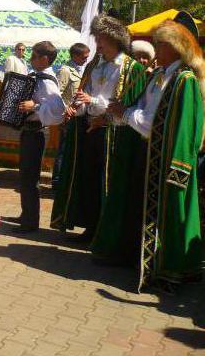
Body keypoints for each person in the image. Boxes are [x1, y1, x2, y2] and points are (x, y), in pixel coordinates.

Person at [101, 21, 204, 291]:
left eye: (160, 44)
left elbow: (161, 123)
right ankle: (148, 264)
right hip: (149, 156)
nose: (156, 49)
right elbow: (145, 112)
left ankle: (170, 270)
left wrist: (124, 113)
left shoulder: (184, 80)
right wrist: (122, 111)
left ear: (174, 47)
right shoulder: (160, 74)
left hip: (169, 160)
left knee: (170, 216)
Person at [51, 15, 147, 241]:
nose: (97, 44)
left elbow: (128, 107)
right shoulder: (94, 65)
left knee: (109, 185)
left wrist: (95, 107)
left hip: (114, 135)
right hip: (89, 132)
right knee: (89, 181)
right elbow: (83, 97)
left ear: (114, 39)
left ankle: (106, 233)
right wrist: (78, 110)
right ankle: (91, 228)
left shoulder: (131, 68)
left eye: (101, 39)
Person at [8, 42, 66, 233]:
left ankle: (31, 222)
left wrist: (34, 107)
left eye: (33, 56)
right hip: (29, 129)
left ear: (44, 59)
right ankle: (27, 215)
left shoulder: (47, 81)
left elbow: (58, 112)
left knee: (31, 177)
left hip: (38, 131)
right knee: (25, 175)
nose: (30, 59)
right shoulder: (35, 77)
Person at [51, 42, 90, 189]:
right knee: (64, 149)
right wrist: (66, 109)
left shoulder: (83, 70)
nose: (86, 59)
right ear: (75, 56)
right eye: (84, 57)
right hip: (68, 116)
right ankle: (57, 181)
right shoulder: (65, 70)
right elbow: (57, 94)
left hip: (80, 116)